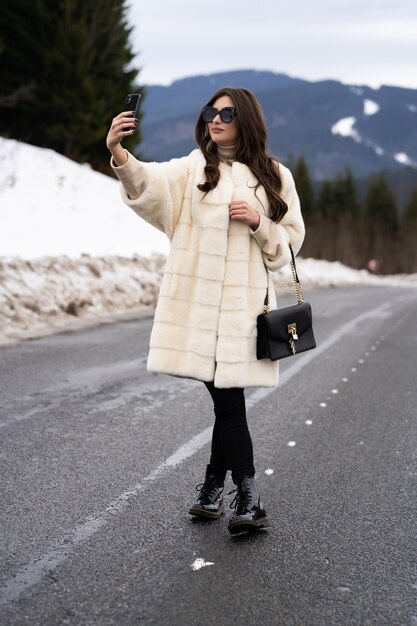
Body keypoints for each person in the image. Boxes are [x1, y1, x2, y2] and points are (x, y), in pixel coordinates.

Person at [106, 87, 305, 535]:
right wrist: (119, 152)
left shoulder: (275, 176)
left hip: (243, 313)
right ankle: (245, 498)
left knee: (228, 401)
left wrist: (259, 222)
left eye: (227, 113)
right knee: (228, 402)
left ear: (246, 120)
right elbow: (146, 184)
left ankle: (218, 489)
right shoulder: (193, 170)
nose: (215, 120)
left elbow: (290, 247)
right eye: (210, 112)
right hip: (198, 311)